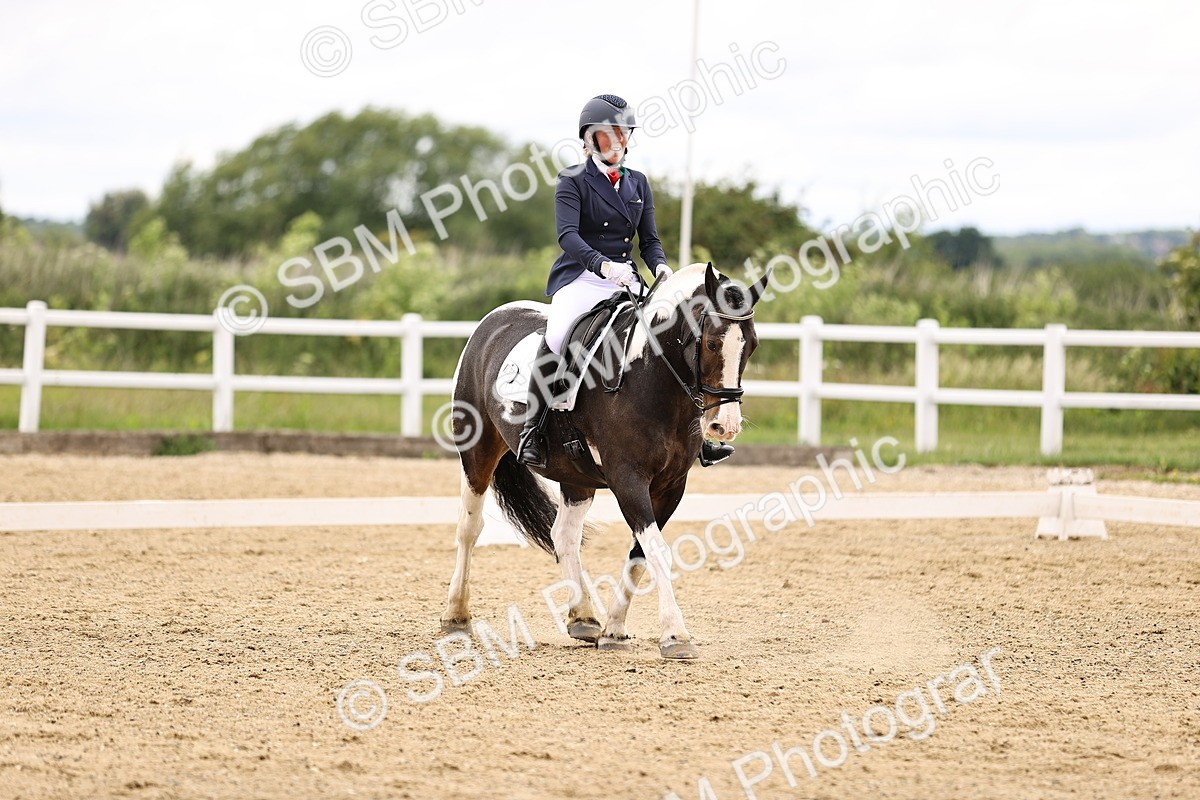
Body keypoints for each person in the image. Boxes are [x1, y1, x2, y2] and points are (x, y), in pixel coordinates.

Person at [516, 94, 734, 469]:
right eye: (607, 135)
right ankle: (533, 429)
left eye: (622, 134)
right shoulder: (572, 180)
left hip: (626, 279)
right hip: (583, 277)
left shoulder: (638, 183)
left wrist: (661, 269)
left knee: (673, 338)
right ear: (589, 139)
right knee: (556, 334)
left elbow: (649, 241)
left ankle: (697, 436)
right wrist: (603, 267)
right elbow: (568, 236)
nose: (617, 142)